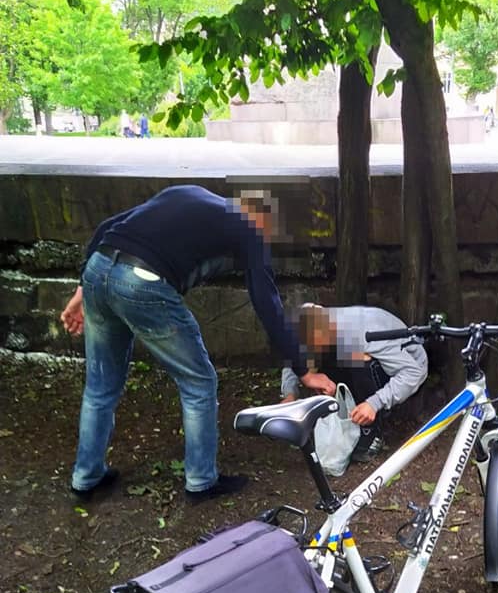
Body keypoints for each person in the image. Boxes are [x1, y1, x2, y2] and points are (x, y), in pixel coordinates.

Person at [60, 186, 334, 502]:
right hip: (141, 283)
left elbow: (108, 226)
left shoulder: (187, 193)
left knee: (100, 386)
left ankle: (86, 477)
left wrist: (83, 289)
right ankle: (202, 481)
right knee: (199, 382)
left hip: (99, 268)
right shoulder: (250, 229)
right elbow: (267, 304)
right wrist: (304, 370)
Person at [280, 303, 428, 462]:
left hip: (406, 367)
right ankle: (338, 417)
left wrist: (375, 403)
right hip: (356, 350)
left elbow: (413, 372)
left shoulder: (363, 333)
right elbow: (295, 359)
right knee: (324, 359)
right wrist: (290, 394)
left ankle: (371, 429)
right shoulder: (316, 325)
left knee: (357, 356)